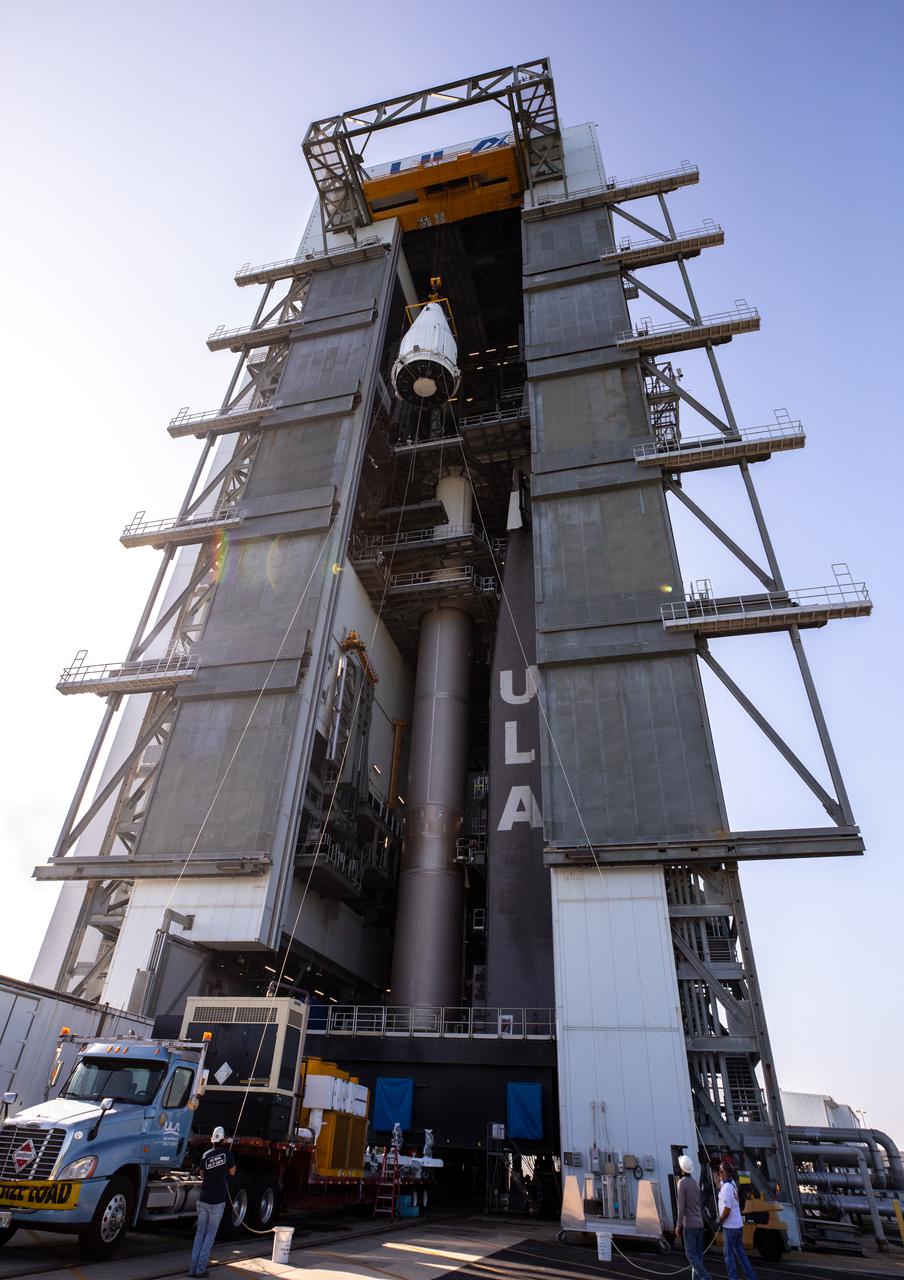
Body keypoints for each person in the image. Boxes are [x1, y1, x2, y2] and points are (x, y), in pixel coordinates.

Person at [189, 1126, 236, 1278]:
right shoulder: (227, 1154)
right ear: (223, 1140)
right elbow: (233, 1171)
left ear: (213, 1140)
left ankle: (192, 1269)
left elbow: (202, 1174)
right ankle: (200, 1269)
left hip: (204, 1200)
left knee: (199, 1234)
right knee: (210, 1235)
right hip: (218, 1201)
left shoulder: (206, 1155)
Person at [675, 1154, 712, 1280]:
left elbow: (681, 1207)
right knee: (698, 1255)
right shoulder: (695, 1183)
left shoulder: (682, 1183)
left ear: (681, 1168)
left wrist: (678, 1225)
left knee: (690, 1254)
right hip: (700, 1223)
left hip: (689, 1224)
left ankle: (705, 1277)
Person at [718, 1162, 756, 1280]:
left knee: (728, 1255)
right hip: (737, 1224)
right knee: (740, 1253)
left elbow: (727, 1209)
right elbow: (718, 1184)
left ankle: (732, 1278)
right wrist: (713, 1170)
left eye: (720, 1171)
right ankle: (751, 1277)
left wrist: (720, 1220)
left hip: (730, 1227)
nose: (719, 1173)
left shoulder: (726, 1189)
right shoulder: (732, 1183)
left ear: (724, 1173)